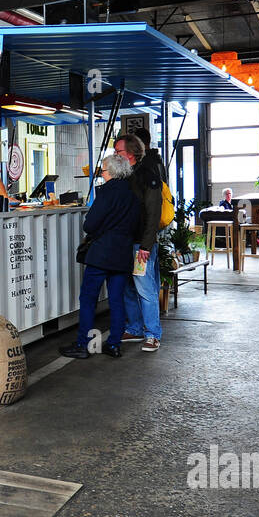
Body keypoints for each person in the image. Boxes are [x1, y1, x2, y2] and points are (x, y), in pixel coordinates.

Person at [61, 153, 140, 360]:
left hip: (101, 254)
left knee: (88, 299)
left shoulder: (105, 193)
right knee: (116, 300)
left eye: (103, 170)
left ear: (111, 172)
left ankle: (83, 344)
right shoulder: (133, 194)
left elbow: (90, 225)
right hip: (122, 254)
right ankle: (114, 344)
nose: (102, 174)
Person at [113, 132, 163, 352]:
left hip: (140, 245)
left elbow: (153, 214)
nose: (116, 155)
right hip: (125, 244)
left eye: (119, 152)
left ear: (131, 153)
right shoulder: (124, 175)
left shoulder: (147, 175)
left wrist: (146, 246)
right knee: (127, 288)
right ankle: (134, 328)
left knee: (145, 289)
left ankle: (153, 334)